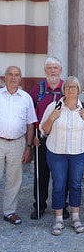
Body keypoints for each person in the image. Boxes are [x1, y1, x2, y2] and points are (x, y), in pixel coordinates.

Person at [40, 76, 84, 235]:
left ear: (79, 90)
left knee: (76, 184)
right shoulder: (54, 107)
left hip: (79, 153)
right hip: (57, 152)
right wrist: (51, 118)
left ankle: (75, 217)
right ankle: (58, 219)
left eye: (74, 87)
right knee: (59, 184)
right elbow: (44, 130)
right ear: (63, 90)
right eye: (68, 87)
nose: (70, 90)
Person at [29, 56, 67, 220]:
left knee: (61, 175)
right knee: (41, 174)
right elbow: (31, 114)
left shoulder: (67, 88)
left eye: (55, 68)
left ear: (61, 70)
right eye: (49, 68)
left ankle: (62, 206)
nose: (53, 71)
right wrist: (33, 137)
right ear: (45, 71)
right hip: (42, 138)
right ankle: (39, 206)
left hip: (62, 139)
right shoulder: (38, 89)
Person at [0, 66, 37, 225]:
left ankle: (9, 212)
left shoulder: (26, 98)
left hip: (18, 143)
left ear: (20, 78)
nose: (13, 78)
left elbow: (30, 124)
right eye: (10, 74)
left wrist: (28, 147)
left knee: (14, 180)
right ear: (4, 77)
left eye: (17, 75)